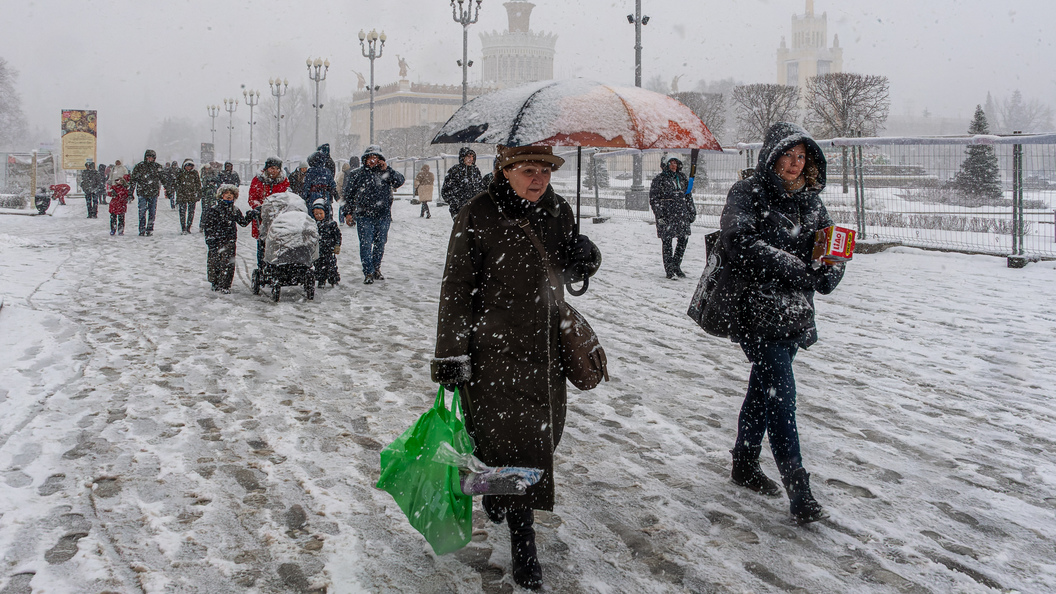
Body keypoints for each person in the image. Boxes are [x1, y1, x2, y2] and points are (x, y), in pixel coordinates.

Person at [431, 145, 601, 590]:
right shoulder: (479, 213)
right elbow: (457, 284)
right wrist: (452, 353)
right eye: (529, 170)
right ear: (505, 171)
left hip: (545, 353)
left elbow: (567, 266)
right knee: (511, 441)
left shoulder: (558, 209)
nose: (539, 178)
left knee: (542, 436)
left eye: (545, 170)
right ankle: (524, 545)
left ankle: (496, 490)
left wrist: (586, 256)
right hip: (495, 354)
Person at [716, 122, 846, 524]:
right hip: (756, 310)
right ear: (771, 157)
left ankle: (744, 463)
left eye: (801, 157)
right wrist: (793, 267)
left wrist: (829, 271)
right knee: (781, 396)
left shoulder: (811, 200)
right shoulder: (748, 192)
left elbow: (830, 246)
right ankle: (799, 489)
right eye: (786, 156)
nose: (793, 164)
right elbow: (737, 240)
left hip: (794, 313)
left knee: (763, 389)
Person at [341, 145, 404, 284]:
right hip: (364, 215)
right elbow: (348, 195)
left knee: (380, 243)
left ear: (380, 159)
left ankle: (376, 268)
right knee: (365, 244)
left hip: (383, 215)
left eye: (375, 157)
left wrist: (387, 169)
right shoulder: (357, 174)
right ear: (365, 159)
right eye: (369, 158)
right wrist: (348, 213)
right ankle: (368, 271)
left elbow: (400, 181)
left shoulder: (385, 173)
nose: (372, 161)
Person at [649, 154, 695, 279]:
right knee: (667, 241)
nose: (674, 165)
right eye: (671, 163)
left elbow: (688, 196)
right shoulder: (659, 179)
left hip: (681, 214)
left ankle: (676, 265)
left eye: (675, 163)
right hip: (667, 214)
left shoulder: (682, 178)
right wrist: (659, 215)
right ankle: (669, 269)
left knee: (683, 239)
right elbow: (654, 199)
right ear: (665, 165)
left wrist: (691, 211)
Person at [201, 184, 252, 293]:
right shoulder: (214, 210)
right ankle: (215, 282)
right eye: (226, 194)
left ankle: (225, 285)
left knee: (228, 263)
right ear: (221, 196)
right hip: (216, 240)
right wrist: (210, 239)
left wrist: (250, 215)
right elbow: (208, 226)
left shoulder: (235, 210)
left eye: (231, 194)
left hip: (229, 240)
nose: (229, 196)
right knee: (215, 262)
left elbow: (242, 223)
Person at [248, 157, 291, 269]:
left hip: (279, 218)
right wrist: (259, 207)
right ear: (267, 168)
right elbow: (252, 198)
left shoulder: (284, 181)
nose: (274, 171)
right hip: (262, 218)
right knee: (263, 244)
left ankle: (278, 266)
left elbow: (288, 196)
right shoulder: (258, 181)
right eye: (272, 168)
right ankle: (262, 266)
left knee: (279, 243)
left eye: (277, 168)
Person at [441, 146, 485, 219]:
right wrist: (456, 203)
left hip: (474, 209)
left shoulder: (475, 171)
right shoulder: (454, 171)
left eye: (472, 157)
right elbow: (445, 191)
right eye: (468, 156)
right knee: (462, 229)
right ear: (462, 157)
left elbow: (480, 187)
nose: (471, 159)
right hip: (459, 210)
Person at [130, 149, 164, 236]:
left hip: (153, 192)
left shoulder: (157, 167)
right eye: (148, 157)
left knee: (152, 212)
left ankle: (149, 228)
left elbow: (163, 179)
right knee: (142, 211)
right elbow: (133, 180)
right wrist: (131, 192)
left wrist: (169, 189)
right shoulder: (139, 166)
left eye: (151, 157)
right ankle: (141, 229)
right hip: (142, 192)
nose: (149, 159)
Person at [311, 199, 342, 287]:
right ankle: (321, 280)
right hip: (318, 250)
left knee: (331, 266)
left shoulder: (331, 224)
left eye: (321, 213)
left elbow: (337, 235)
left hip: (329, 249)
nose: (319, 216)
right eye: (316, 214)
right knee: (319, 266)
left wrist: (337, 245)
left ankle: (333, 280)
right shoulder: (313, 225)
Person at [303, 150, 338, 215]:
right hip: (325, 195)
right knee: (326, 213)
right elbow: (332, 185)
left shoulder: (310, 172)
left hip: (313, 196)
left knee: (313, 214)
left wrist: (305, 197)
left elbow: (307, 186)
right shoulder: (327, 171)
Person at [174, 159, 202, 234]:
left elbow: (198, 184)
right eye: (187, 166)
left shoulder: (195, 173)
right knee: (182, 212)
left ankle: (188, 227)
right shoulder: (180, 173)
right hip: (182, 195)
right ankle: (183, 227)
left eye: (190, 166)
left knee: (191, 212)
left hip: (192, 195)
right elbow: (176, 183)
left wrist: (198, 194)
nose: (189, 167)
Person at [199, 164, 221, 232]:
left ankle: (210, 224)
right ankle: (203, 224)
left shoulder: (213, 173)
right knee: (205, 210)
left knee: (212, 210)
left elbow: (217, 181)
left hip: (212, 194)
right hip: (205, 194)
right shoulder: (201, 173)